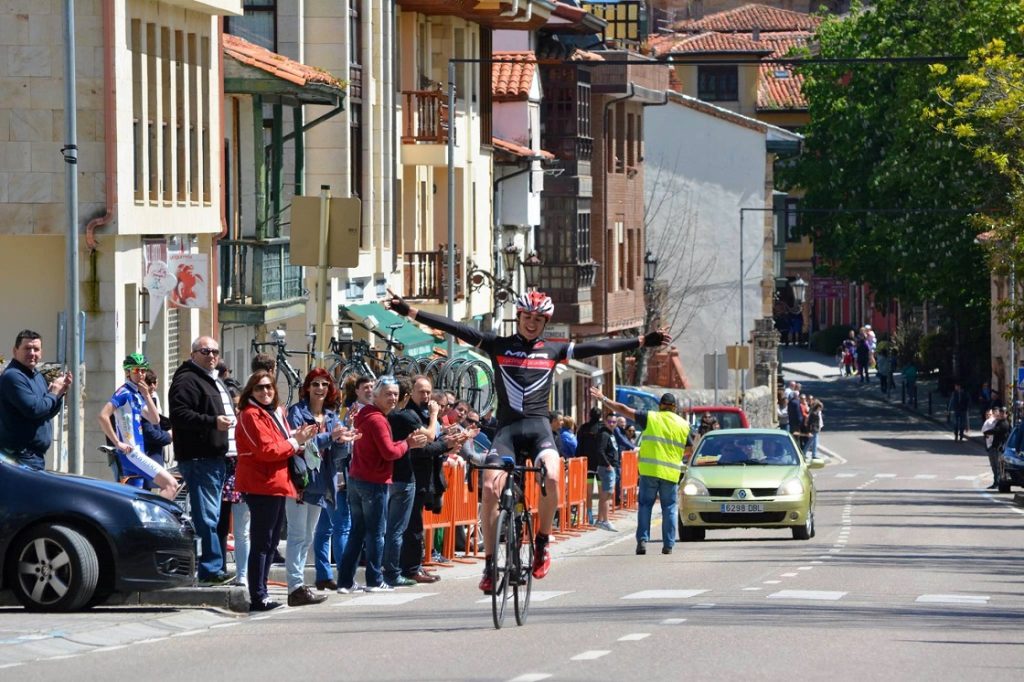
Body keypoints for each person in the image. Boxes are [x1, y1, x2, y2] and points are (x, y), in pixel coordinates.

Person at [387, 287, 670, 592]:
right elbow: (455, 327)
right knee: (490, 486)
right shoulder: (498, 344)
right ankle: (490, 565)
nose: (532, 322)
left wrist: (641, 341)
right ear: (518, 316)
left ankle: (543, 542)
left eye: (539, 318)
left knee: (551, 474)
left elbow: (598, 346)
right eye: (527, 316)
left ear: (545, 322)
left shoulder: (553, 350)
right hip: (507, 431)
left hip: (538, 430)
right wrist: (410, 312)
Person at [234, 370, 319, 611]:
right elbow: (267, 450)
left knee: (270, 542)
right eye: (260, 388)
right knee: (262, 542)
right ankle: (258, 596)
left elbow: (279, 441)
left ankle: (262, 592)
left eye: (269, 387)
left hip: (277, 481)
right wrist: (295, 441)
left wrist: (299, 436)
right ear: (251, 391)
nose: (265, 392)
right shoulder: (250, 414)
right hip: (261, 483)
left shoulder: (276, 411)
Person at [336, 376, 428, 593]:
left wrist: (402, 444)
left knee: (357, 532)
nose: (393, 398)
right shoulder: (377, 419)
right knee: (376, 533)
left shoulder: (365, 415)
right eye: (388, 393)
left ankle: (345, 581)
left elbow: (384, 448)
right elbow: (389, 452)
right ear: (375, 395)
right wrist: (408, 443)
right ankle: (374, 580)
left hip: (358, 480)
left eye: (395, 394)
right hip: (373, 482)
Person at [285, 368, 358, 607]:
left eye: (324, 385)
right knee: (297, 536)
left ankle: (299, 586)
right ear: (307, 387)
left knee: (307, 537)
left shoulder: (330, 416)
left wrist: (342, 441)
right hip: (300, 481)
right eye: (315, 384)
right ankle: (295, 587)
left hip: (321, 484)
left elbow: (337, 456)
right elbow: (300, 444)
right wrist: (330, 437)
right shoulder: (297, 412)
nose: (320, 389)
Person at [169, 336, 237, 585]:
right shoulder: (187, 379)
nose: (211, 356)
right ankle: (210, 568)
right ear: (193, 353)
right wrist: (212, 422)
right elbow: (179, 414)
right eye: (205, 351)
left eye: (215, 352)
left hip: (217, 458)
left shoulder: (212, 379)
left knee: (214, 515)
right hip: (200, 458)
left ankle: (213, 567)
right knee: (207, 516)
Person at [592, 388, 689, 555]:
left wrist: (604, 399)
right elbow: (689, 449)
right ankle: (668, 545)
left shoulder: (651, 417)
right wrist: (676, 457)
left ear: (660, 406)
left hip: (649, 472)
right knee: (670, 508)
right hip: (671, 474)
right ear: (674, 407)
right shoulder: (683, 424)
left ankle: (643, 541)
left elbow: (624, 410)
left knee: (645, 506)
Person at [386, 375, 449, 586]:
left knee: (413, 526)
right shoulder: (407, 415)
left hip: (419, 478)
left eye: (428, 392)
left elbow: (429, 440)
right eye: (421, 391)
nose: (426, 396)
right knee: (409, 527)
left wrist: (445, 442)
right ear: (410, 393)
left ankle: (412, 566)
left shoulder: (416, 413)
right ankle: (406, 569)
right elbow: (425, 443)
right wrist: (443, 442)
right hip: (406, 476)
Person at [98, 353, 178, 500]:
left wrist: (147, 396)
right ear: (128, 372)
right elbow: (103, 416)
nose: (141, 374)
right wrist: (117, 443)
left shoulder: (138, 395)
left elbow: (155, 420)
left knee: (134, 499)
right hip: (131, 453)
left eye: (143, 370)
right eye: (136, 370)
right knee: (171, 485)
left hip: (139, 451)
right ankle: (157, 521)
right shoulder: (124, 393)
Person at [0, 330, 71, 470]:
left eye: (36, 349)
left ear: (41, 353)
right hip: (19, 456)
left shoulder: (36, 376)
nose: (32, 353)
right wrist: (53, 394)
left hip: (34, 457)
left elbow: (46, 413)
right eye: (27, 348)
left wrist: (59, 393)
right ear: (15, 351)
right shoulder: (13, 376)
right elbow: (34, 409)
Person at [591, 412, 621, 532]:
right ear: (605, 421)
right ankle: (605, 521)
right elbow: (600, 450)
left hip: (609, 467)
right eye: (610, 422)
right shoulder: (604, 434)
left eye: (614, 422)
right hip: (607, 468)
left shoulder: (610, 434)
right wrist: (608, 465)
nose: (612, 424)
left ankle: (600, 519)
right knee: (606, 495)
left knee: (606, 495)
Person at [984, 407, 1011, 489]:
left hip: (999, 448)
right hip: (995, 446)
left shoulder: (1005, 424)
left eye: (1004, 413)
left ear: (1006, 414)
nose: (1002, 414)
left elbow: (996, 430)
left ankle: (998, 482)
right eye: (1001, 412)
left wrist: (987, 432)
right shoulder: (999, 422)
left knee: (997, 466)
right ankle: (996, 482)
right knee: (994, 466)